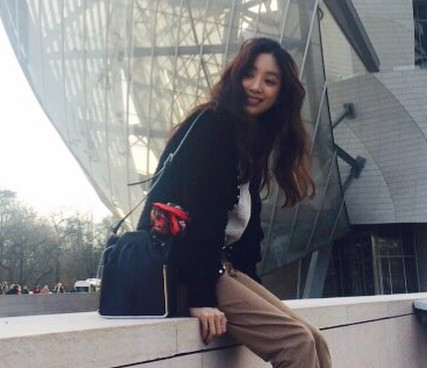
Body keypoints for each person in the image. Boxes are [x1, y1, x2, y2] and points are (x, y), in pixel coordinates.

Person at [137, 37, 331, 368]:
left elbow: (248, 227)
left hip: (219, 265)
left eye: (270, 81)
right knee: (296, 342)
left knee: (315, 339)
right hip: (180, 267)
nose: (256, 86)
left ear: (281, 93)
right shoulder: (211, 126)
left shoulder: (249, 139)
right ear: (235, 76)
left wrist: (252, 289)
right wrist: (200, 298)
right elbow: (200, 217)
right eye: (249, 74)